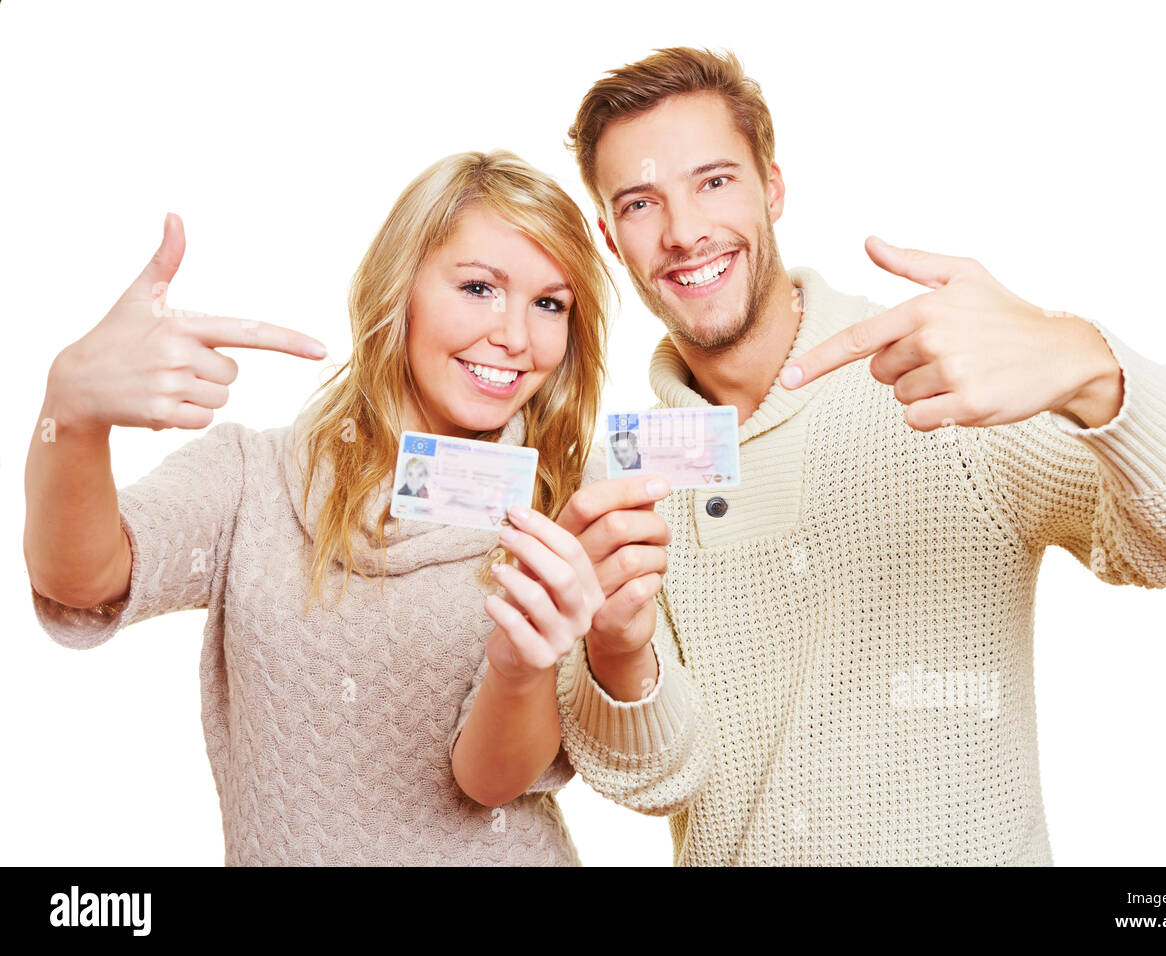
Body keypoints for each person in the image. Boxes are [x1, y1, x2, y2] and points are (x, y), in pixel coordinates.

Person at [552, 47, 1166, 865]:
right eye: (641, 202)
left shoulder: (945, 375)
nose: (685, 231)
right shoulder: (620, 481)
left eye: (714, 181)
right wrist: (617, 653)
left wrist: (1087, 364)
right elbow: (657, 780)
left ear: (773, 187)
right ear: (611, 238)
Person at [23, 150, 677, 865]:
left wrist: (525, 663)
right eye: (480, 287)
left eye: (549, 303)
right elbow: (82, 579)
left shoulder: (571, 512)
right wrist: (73, 417)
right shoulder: (253, 477)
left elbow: (490, 781)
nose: (517, 337)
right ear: (402, 287)